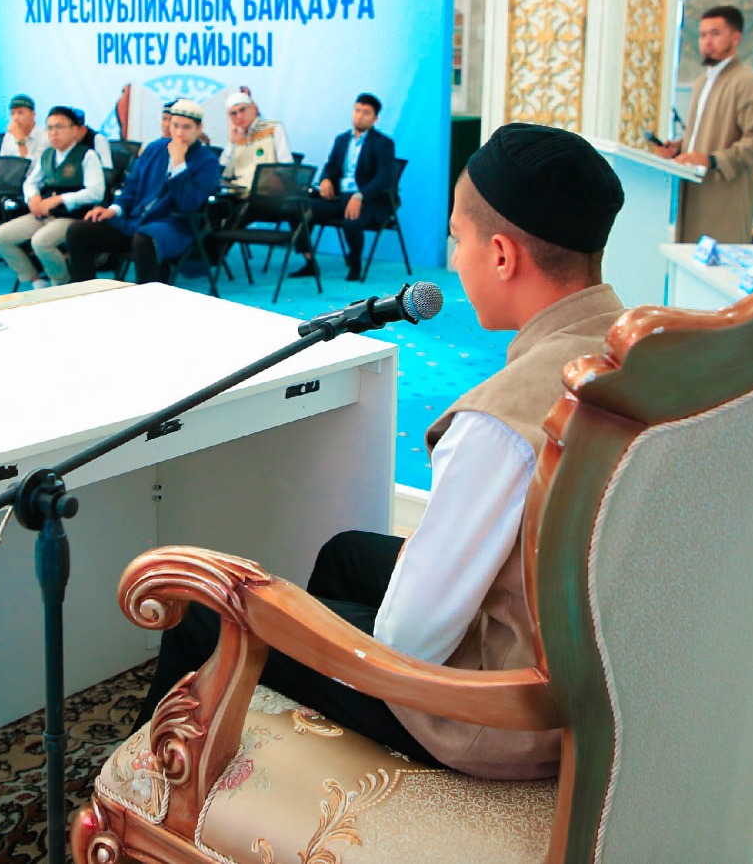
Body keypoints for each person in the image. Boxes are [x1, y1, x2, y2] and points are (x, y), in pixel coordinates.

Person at [135, 122, 627, 781]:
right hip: (593, 655)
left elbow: (408, 640)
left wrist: (331, 637)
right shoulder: (641, 352)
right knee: (346, 555)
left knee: (206, 615)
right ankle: (308, 739)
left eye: (457, 238)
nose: (454, 259)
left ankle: (144, 788)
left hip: (505, 714)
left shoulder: (502, 424)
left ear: (502, 255)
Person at [66, 99, 221, 285]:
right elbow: (131, 187)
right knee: (79, 231)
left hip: (174, 225)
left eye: (186, 127)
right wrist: (113, 210)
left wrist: (179, 164)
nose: (179, 133)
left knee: (146, 238)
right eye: (175, 125)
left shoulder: (208, 161)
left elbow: (188, 204)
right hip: (136, 220)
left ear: (199, 128)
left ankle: (147, 298)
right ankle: (84, 292)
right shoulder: (155, 148)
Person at [654, 5, 753, 243]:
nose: (707, 41)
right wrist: (677, 148)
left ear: (735, 38)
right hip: (695, 189)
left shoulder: (746, 83)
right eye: (703, 35)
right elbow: (702, 133)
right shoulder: (702, 82)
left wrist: (713, 160)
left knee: (717, 257)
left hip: (724, 195)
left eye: (715, 34)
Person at [0, 106, 108, 289]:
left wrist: (60, 199)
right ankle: (35, 280)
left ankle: (62, 284)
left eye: (59, 127)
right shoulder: (47, 154)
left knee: (41, 242)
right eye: (50, 128)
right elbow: (30, 182)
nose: (53, 133)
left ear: (75, 130)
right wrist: (33, 198)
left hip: (73, 216)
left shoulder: (87, 155)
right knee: (1, 237)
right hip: (45, 213)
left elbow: (96, 192)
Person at [291, 93, 398, 282]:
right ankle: (309, 261)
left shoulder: (383, 143)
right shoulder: (341, 140)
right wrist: (325, 180)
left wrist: (360, 195)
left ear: (375, 118)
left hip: (368, 199)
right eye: (357, 110)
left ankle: (355, 263)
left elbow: (384, 178)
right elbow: (330, 165)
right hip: (339, 198)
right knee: (299, 209)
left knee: (351, 221)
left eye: (366, 113)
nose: (360, 116)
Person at [219, 89, 289, 198]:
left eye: (242, 110)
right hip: (238, 195)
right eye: (234, 113)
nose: (239, 116)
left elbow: (286, 165)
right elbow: (224, 174)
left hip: (266, 194)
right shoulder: (236, 136)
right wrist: (232, 144)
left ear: (253, 108)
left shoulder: (273, 128)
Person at [0, 94, 48, 161]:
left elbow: (34, 166)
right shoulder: (9, 135)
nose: (15, 118)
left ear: (33, 115)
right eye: (12, 113)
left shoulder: (45, 136)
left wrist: (20, 140)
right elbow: (1, 161)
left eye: (20, 113)